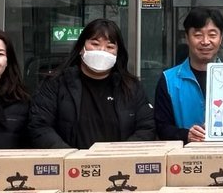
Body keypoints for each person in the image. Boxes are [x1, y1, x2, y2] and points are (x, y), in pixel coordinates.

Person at [27, 18, 155, 149]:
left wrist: (121, 154)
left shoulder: (131, 87)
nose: (102, 51)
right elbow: (40, 126)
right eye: (95, 44)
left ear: (118, 53)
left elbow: (146, 128)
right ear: (81, 48)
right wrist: (71, 156)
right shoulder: (56, 84)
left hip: (119, 160)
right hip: (70, 160)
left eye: (110, 47)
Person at [154, 7, 223, 143]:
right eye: (198, 35)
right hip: (184, 154)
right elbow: (161, 127)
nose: (205, 41)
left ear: (221, 38)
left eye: (212, 35)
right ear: (187, 38)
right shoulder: (168, 80)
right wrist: (186, 135)